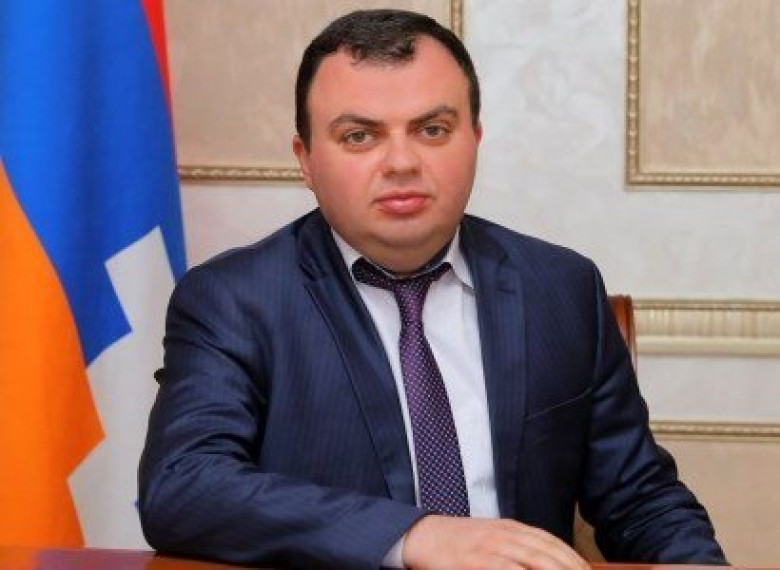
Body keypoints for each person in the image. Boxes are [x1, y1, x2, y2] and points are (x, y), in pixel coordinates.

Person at [139, 9, 726, 569]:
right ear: (306, 160)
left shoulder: (560, 287)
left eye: (432, 130)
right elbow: (183, 485)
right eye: (359, 136)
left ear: (475, 138)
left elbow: (640, 498)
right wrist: (414, 535)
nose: (401, 161)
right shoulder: (235, 299)